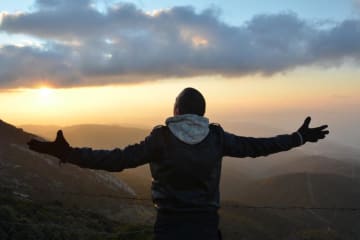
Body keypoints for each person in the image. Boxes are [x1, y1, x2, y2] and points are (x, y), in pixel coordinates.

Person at [28, 87, 329, 240]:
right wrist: (298, 138)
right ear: (202, 112)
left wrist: (66, 153)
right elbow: (257, 147)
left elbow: (115, 159)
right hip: (207, 228)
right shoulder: (217, 137)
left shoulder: (160, 139)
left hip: (169, 228)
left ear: (176, 110)